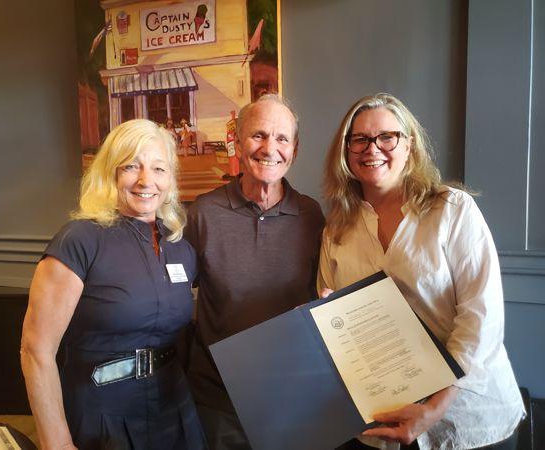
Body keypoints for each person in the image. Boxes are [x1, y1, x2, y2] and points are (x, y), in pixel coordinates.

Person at [318, 93, 525, 450]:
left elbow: (481, 318)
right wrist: (323, 316)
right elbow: (331, 313)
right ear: (346, 150)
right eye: (360, 139)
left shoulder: (452, 209)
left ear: (409, 144)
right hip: (381, 422)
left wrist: (435, 407)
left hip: (466, 419)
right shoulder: (337, 228)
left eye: (387, 137)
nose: (372, 148)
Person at [20, 119, 207, 450]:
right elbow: (36, 351)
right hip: (102, 412)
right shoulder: (79, 240)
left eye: (159, 169)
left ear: (170, 179)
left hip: (174, 408)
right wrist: (56, 443)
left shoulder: (180, 246)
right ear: (111, 173)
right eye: (131, 166)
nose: (146, 180)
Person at [185, 94, 325, 449]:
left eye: (282, 138)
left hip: (292, 394)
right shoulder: (203, 214)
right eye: (258, 135)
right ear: (237, 142)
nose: (269, 148)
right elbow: (173, 297)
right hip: (219, 402)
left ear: (294, 149)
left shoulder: (312, 216)